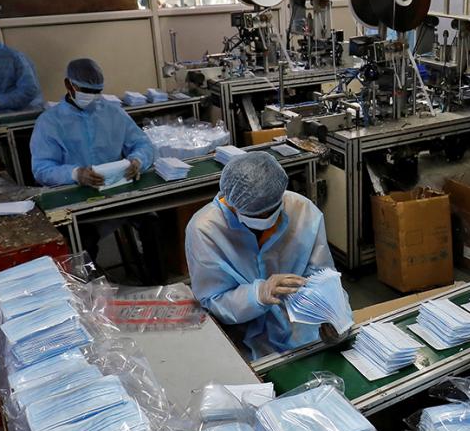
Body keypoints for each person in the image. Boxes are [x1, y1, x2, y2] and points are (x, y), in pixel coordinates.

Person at [186, 151, 339, 359]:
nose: (267, 219)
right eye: (257, 215)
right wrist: (257, 295)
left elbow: (322, 275)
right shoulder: (204, 229)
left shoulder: (302, 210)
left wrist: (331, 313)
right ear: (232, 202)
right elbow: (214, 299)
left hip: (301, 327)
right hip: (241, 334)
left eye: (272, 210)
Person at [29, 57, 154, 187]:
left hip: (114, 187)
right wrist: (75, 174)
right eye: (86, 91)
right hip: (73, 193)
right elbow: (42, 169)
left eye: (97, 92)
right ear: (68, 85)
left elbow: (143, 144)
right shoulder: (49, 122)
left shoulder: (114, 114)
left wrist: (138, 160)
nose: (92, 96)